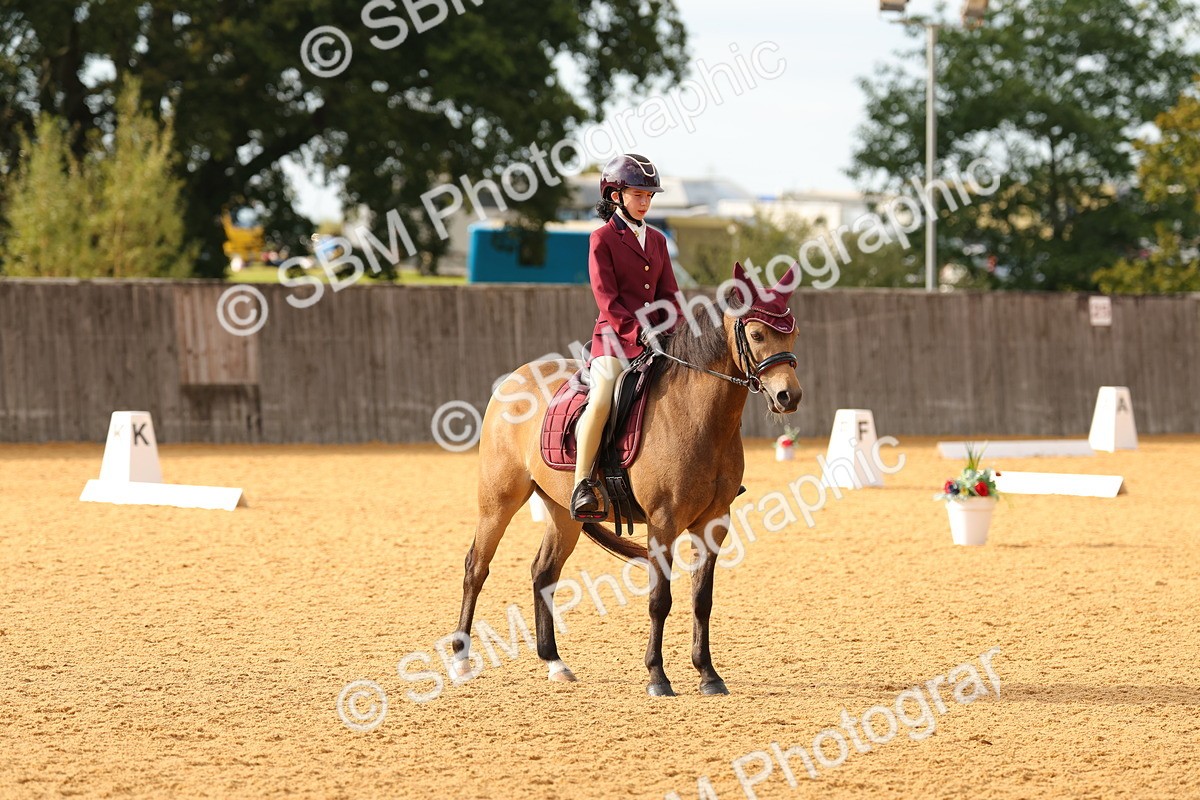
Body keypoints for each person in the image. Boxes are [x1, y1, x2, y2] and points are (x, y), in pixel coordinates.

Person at [571, 153, 683, 521]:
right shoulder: (602, 239)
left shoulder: (657, 239)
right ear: (616, 195)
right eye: (639, 194)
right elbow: (607, 298)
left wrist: (678, 332)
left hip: (659, 338)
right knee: (602, 397)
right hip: (615, 339)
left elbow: (669, 293)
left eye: (650, 196)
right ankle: (583, 482)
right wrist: (638, 332)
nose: (646, 201)